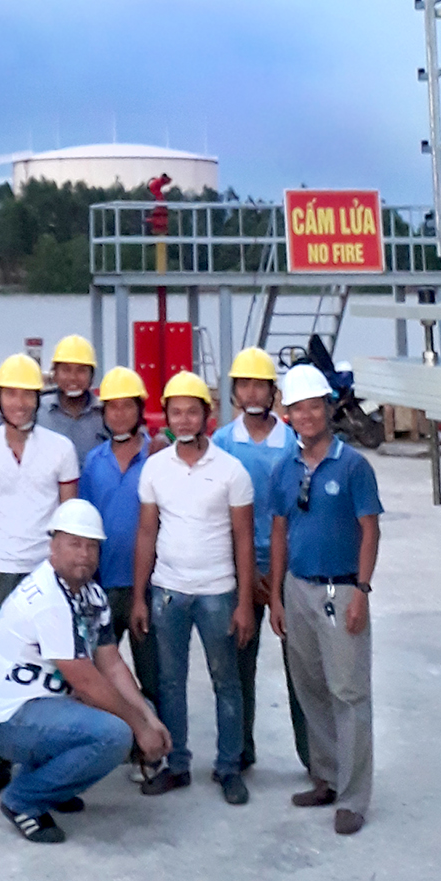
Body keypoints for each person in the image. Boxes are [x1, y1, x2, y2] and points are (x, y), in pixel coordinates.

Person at [0, 499, 171, 844]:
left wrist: (148, 719)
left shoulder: (91, 593)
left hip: (42, 704)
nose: (84, 554)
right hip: (7, 718)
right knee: (115, 733)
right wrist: (138, 727)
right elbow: (86, 680)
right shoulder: (49, 597)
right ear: (53, 546)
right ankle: (23, 801)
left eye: (92, 545)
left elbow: (110, 663)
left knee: (137, 712)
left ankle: (50, 787)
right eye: (74, 543)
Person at [268, 363, 383, 836]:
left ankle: (354, 797)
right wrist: (275, 596)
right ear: (288, 414)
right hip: (298, 588)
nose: (307, 416)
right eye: (298, 409)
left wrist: (362, 589)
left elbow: (369, 529)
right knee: (311, 688)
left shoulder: (353, 466)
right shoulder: (284, 468)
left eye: (314, 406)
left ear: (328, 409)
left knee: (349, 693)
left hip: (342, 588)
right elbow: (279, 532)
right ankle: (327, 777)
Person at [132, 370, 255, 805]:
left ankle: (228, 766)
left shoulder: (231, 471)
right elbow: (147, 534)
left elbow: (243, 538)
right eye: (175, 412)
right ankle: (177, 763)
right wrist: (139, 596)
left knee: (227, 682)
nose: (183, 421)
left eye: (191, 412)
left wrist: (243, 603)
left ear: (208, 414)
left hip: (218, 592)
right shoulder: (154, 469)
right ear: (166, 416)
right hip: (167, 591)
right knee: (170, 683)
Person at [0, 351, 80, 798]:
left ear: (38, 397)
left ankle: (49, 767)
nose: (19, 403)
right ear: (0, 398)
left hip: (48, 575)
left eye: (27, 394)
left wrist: (70, 581)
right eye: (11, 393)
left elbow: (69, 519)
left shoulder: (61, 450)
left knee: (53, 672)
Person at [212, 347, 309, 776]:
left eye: (261, 384)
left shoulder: (292, 444)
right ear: (234, 391)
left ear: (274, 392)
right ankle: (239, 751)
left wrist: (279, 575)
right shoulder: (220, 443)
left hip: (288, 570)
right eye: (245, 383)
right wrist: (246, 576)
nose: (252, 392)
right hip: (238, 570)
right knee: (238, 667)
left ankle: (315, 757)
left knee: (302, 668)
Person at [76, 366, 160, 745]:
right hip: (102, 585)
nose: (119, 415)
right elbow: (85, 523)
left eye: (127, 407)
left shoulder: (159, 455)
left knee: (154, 675)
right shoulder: (94, 462)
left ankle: (154, 749)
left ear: (140, 410)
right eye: (112, 408)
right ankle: (112, 742)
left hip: (149, 585)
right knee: (101, 673)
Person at [37, 334, 108, 460]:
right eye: (66, 370)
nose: (73, 378)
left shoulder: (106, 414)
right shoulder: (37, 410)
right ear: (55, 374)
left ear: (92, 376)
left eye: (81, 371)